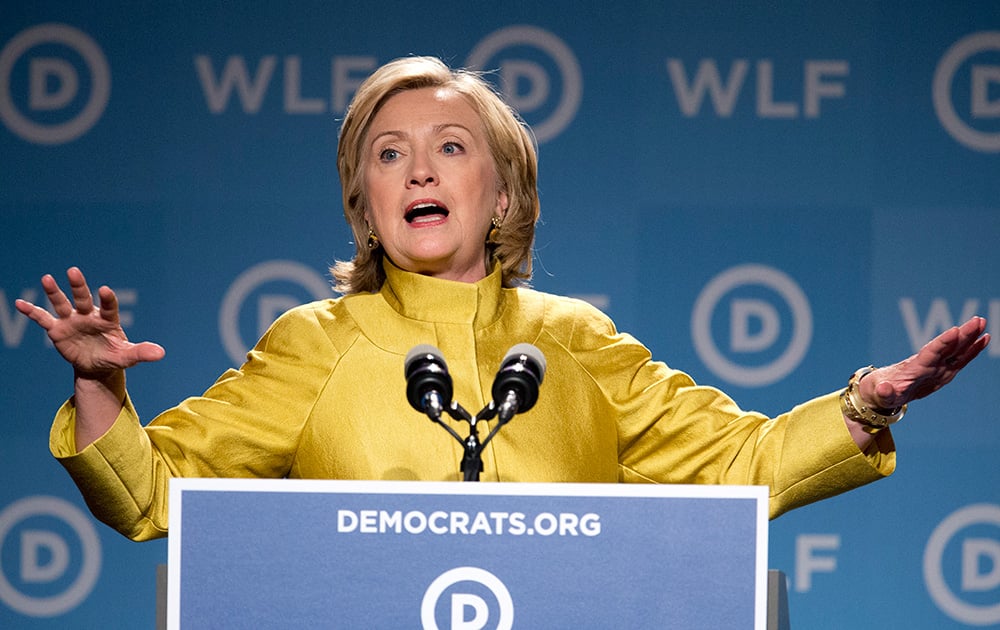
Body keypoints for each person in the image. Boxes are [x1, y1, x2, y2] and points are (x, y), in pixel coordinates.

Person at [15, 56, 990, 542]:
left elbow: (741, 465)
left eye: (448, 148)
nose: (414, 170)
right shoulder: (314, 344)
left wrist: (867, 400)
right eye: (386, 155)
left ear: (504, 191)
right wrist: (100, 387)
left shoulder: (577, 341)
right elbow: (150, 496)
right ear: (365, 200)